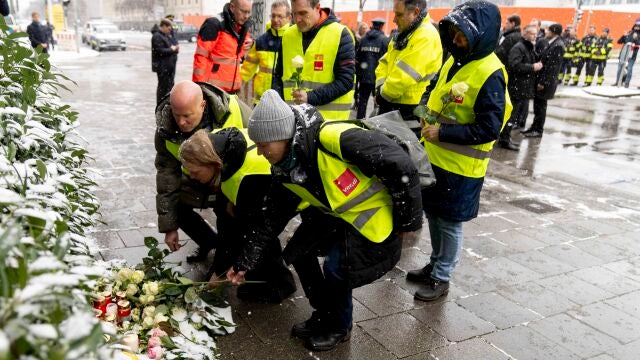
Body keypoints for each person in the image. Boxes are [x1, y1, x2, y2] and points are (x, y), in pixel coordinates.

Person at [227, 90, 423, 351]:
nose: (261, 153)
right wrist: (245, 262)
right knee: (300, 253)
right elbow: (271, 218)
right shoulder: (285, 166)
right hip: (336, 214)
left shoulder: (333, 138)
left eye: (263, 146)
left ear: (282, 136)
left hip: (373, 212)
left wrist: (408, 223)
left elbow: (399, 164)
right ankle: (324, 313)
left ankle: (340, 326)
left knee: (337, 267)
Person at [407, 0, 512, 301]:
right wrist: (426, 106)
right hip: (436, 159)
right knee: (435, 216)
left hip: (461, 168)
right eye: (454, 33)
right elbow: (436, 89)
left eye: (462, 35)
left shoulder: (490, 72)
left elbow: (489, 128)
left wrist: (444, 131)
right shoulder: (456, 60)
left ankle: (442, 277)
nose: (456, 40)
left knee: (450, 223)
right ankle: (434, 264)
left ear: (481, 35)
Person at [177, 128, 296, 302]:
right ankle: (264, 277)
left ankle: (280, 284)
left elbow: (248, 231)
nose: (192, 177)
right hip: (257, 192)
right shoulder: (214, 144)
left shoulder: (248, 178)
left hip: (297, 196)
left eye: (195, 172)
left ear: (214, 164)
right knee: (242, 227)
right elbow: (224, 219)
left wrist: (220, 271)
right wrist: (220, 269)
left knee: (257, 236)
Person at [155, 80, 250, 266]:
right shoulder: (165, 129)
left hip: (228, 181)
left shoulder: (236, 110)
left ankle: (227, 262)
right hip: (195, 181)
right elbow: (167, 175)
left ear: (203, 105)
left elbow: (257, 147)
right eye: (176, 114)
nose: (181, 122)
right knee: (176, 209)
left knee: (229, 219)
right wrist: (169, 227)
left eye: (187, 115)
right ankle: (209, 242)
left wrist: (236, 195)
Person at [274, 0, 356, 122]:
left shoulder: (340, 34)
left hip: (328, 125)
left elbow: (346, 81)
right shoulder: (287, 36)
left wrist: (311, 97)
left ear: (317, 8)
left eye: (303, 13)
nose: (297, 19)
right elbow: (278, 76)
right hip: (292, 121)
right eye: (294, 14)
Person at [375, 0, 443, 137]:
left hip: (410, 112)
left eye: (399, 15)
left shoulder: (426, 36)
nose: (394, 19)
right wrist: (381, 88)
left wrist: (382, 94)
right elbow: (384, 62)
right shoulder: (405, 34)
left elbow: (403, 77)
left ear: (415, 12)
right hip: (396, 108)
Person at [192, 0, 252, 93]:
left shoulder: (241, 28)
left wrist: (251, 43)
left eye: (249, 12)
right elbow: (201, 58)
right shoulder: (214, 24)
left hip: (232, 91)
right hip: (213, 91)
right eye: (243, 11)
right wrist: (199, 88)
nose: (246, 16)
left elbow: (238, 56)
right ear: (232, 7)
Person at [498, 25, 542, 150]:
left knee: (514, 114)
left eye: (536, 34)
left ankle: (505, 137)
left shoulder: (528, 47)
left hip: (522, 88)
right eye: (532, 33)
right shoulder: (519, 47)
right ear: (525, 34)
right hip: (516, 87)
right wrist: (532, 67)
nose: (535, 36)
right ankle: (504, 139)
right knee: (511, 115)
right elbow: (514, 65)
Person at [240, 0, 291, 105]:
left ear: (289, 18)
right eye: (273, 16)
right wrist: (234, 89)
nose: (275, 20)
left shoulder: (295, 40)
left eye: (280, 16)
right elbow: (246, 71)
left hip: (286, 102)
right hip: (262, 101)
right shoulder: (260, 41)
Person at [522, 23, 564, 138]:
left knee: (540, 107)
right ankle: (534, 127)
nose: (546, 32)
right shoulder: (552, 43)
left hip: (546, 83)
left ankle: (538, 129)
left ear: (553, 32)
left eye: (549, 31)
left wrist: (543, 82)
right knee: (538, 106)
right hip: (543, 80)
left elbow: (552, 67)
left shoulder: (558, 45)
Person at [355, 18, 388, 119]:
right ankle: (375, 123)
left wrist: (360, 74)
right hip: (378, 78)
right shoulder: (384, 40)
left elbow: (358, 58)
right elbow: (387, 60)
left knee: (362, 102)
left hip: (364, 77)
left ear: (372, 25)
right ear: (382, 26)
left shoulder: (363, 39)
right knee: (378, 103)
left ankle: (359, 123)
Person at [152, 19, 180, 104]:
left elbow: (172, 46)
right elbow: (159, 51)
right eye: (168, 28)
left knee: (169, 87)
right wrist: (172, 49)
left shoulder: (165, 35)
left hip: (168, 67)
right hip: (162, 67)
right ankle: (161, 105)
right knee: (163, 88)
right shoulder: (157, 36)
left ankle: (167, 104)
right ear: (163, 26)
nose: (169, 30)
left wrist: (174, 49)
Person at [615, 21, 640, 87]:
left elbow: (638, 44)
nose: (637, 28)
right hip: (623, 55)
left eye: (638, 27)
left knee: (629, 69)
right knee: (619, 69)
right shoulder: (629, 33)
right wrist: (623, 36)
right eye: (636, 26)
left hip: (632, 56)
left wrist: (636, 38)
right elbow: (619, 42)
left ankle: (627, 83)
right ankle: (617, 82)